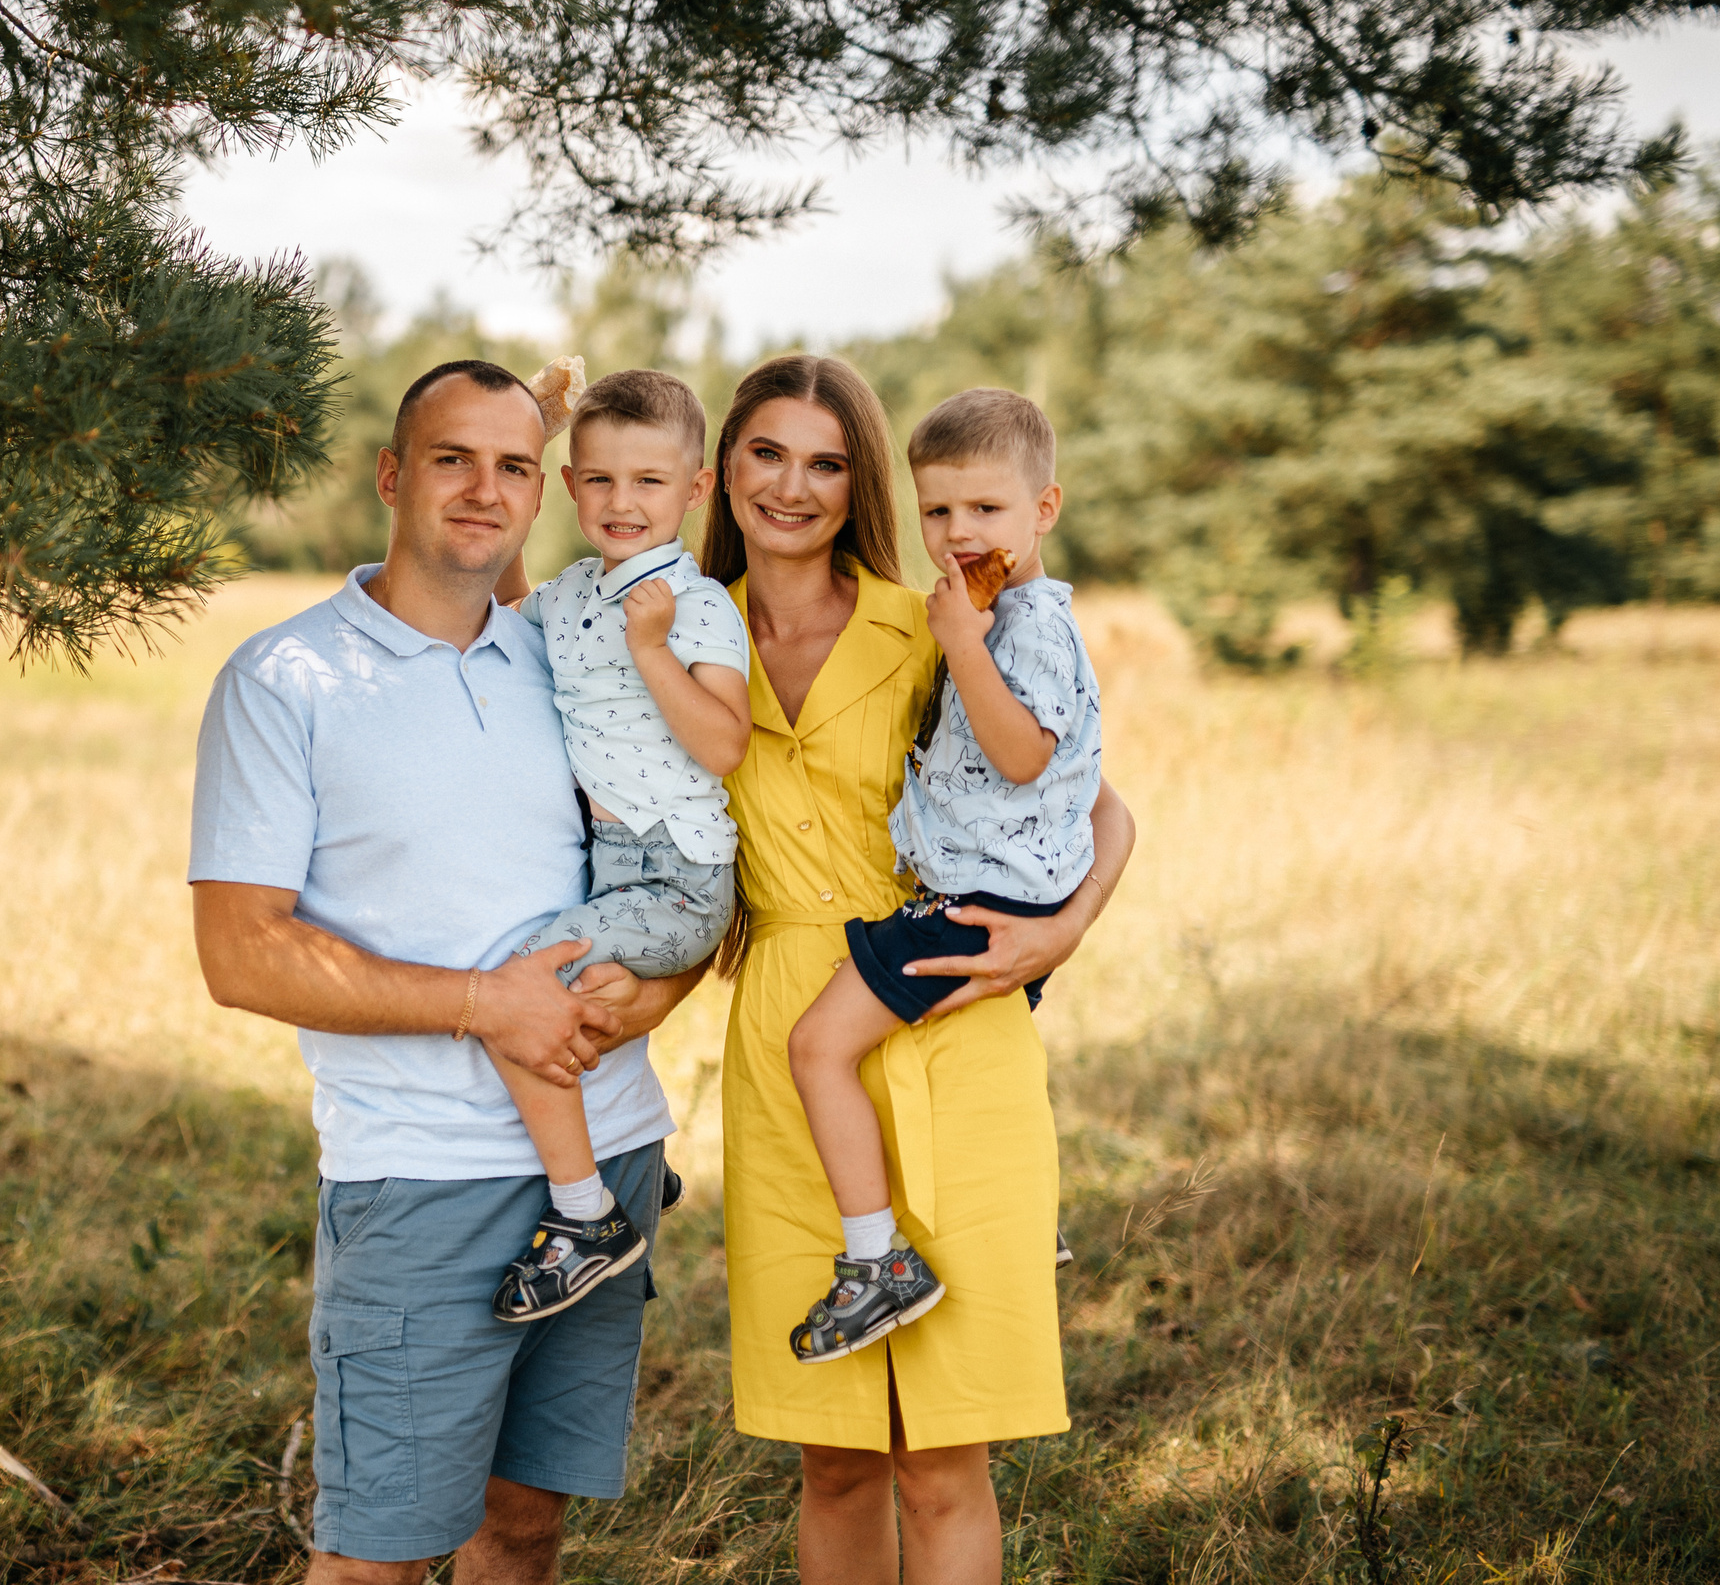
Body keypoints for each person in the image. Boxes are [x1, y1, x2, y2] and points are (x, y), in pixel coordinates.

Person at [188, 359, 706, 1585]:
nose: (484, 488)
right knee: (378, 1555)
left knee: (522, 1526)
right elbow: (238, 951)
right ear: (390, 473)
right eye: (452, 457)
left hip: (611, 1153)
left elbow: (671, 850)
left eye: (515, 464)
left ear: (544, 493)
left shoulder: (566, 656)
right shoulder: (284, 680)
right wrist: (486, 1004)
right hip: (420, 1176)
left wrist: (662, 990)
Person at [706, 354, 1136, 1585]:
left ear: (860, 483)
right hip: (793, 1035)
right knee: (833, 1454)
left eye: (827, 461)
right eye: (767, 454)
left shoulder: (938, 622)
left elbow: (1098, 809)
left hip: (949, 1008)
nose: (794, 486)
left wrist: (1064, 931)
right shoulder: (678, 632)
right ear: (721, 469)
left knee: (943, 1453)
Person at [782, 387, 1102, 1363]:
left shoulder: (1025, 626)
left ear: (1043, 509)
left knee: (818, 1048)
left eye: (986, 509)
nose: (958, 532)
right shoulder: (1000, 612)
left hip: (980, 902)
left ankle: (877, 1262)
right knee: (950, 1075)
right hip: (1001, 889)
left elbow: (1019, 754)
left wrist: (961, 642)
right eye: (937, 511)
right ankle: (1016, 1215)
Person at [484, 368, 752, 1324]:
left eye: (648, 481)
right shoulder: (570, 594)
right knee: (570, 1004)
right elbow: (509, 621)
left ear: (696, 488)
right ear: (568, 486)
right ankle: (629, 1176)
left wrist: (652, 650)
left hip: (678, 877)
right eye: (597, 479)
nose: (622, 501)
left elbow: (725, 744)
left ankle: (586, 1212)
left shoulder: (701, 605)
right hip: (614, 861)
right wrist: (535, 433)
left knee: (521, 990)